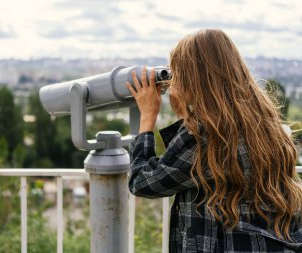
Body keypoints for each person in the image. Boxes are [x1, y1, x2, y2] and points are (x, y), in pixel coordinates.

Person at [126, 29, 302, 252]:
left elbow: (143, 182)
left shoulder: (204, 133)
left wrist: (148, 117)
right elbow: (197, 169)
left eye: (177, 72)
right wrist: (184, 115)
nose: (172, 81)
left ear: (194, 77)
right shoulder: (265, 123)